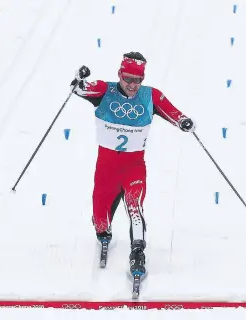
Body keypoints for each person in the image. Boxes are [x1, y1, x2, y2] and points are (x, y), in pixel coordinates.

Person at [70, 52, 196, 277]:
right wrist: (79, 79)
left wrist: (183, 121)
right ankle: (103, 234)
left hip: (133, 166)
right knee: (100, 216)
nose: (132, 85)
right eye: (128, 79)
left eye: (138, 80)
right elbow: (80, 88)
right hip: (106, 169)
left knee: (134, 207)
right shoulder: (104, 90)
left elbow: (174, 112)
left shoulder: (151, 96)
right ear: (119, 74)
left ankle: (138, 252)